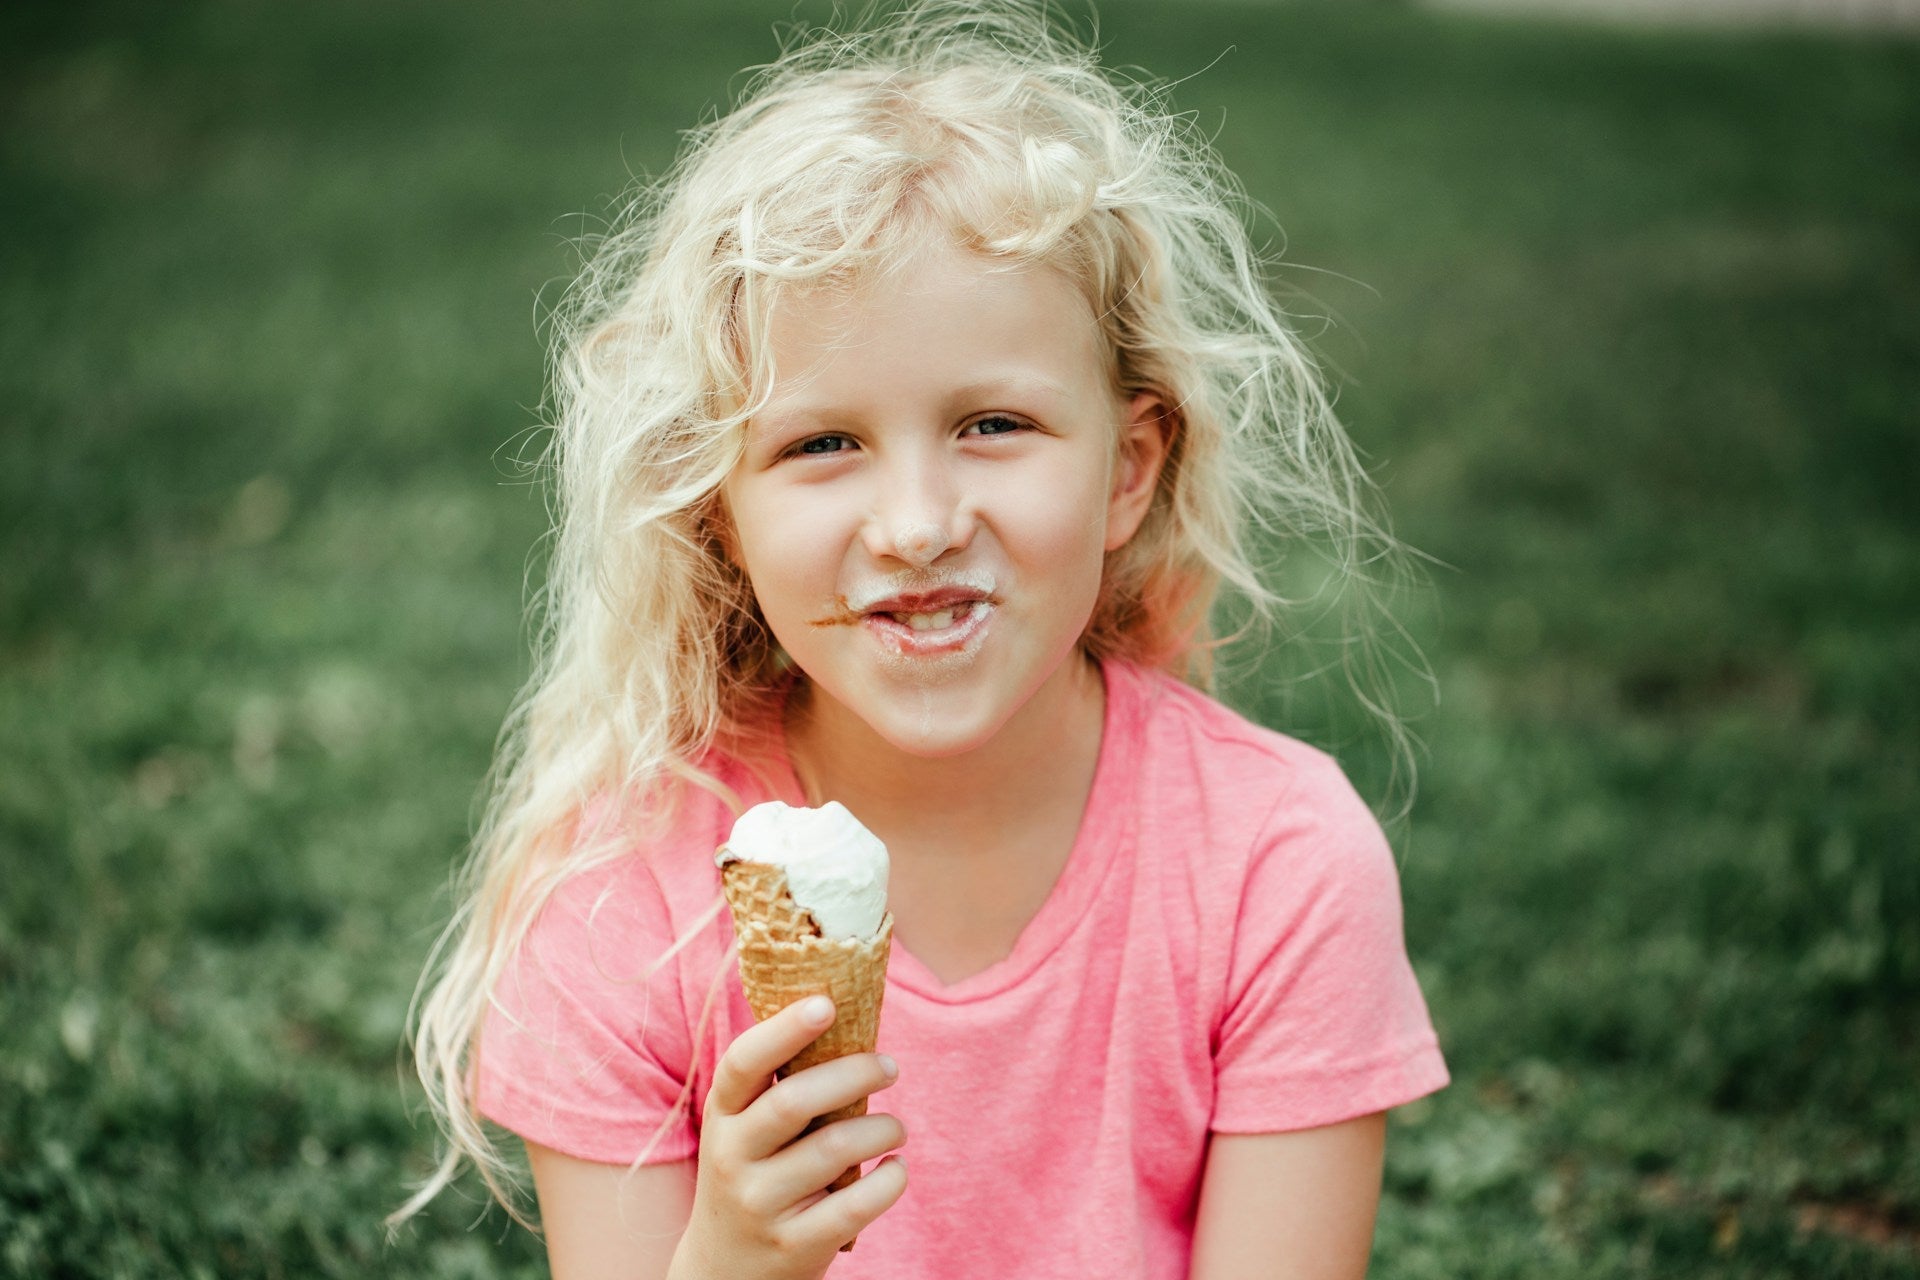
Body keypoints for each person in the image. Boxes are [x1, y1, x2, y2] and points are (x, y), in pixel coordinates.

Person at [399, 3, 1447, 1276]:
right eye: (822, 443)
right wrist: (730, 1256)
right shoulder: (624, 894)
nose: (916, 524)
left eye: (993, 424)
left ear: (1128, 469)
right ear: (722, 514)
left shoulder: (1278, 866)